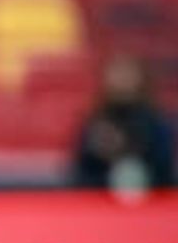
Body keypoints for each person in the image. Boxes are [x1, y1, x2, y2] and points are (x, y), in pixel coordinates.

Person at [70, 54, 175, 192]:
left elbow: (165, 170)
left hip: (152, 200)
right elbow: (81, 172)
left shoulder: (156, 122)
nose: (122, 81)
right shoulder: (95, 122)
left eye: (127, 75)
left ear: (141, 79)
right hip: (100, 200)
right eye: (117, 74)